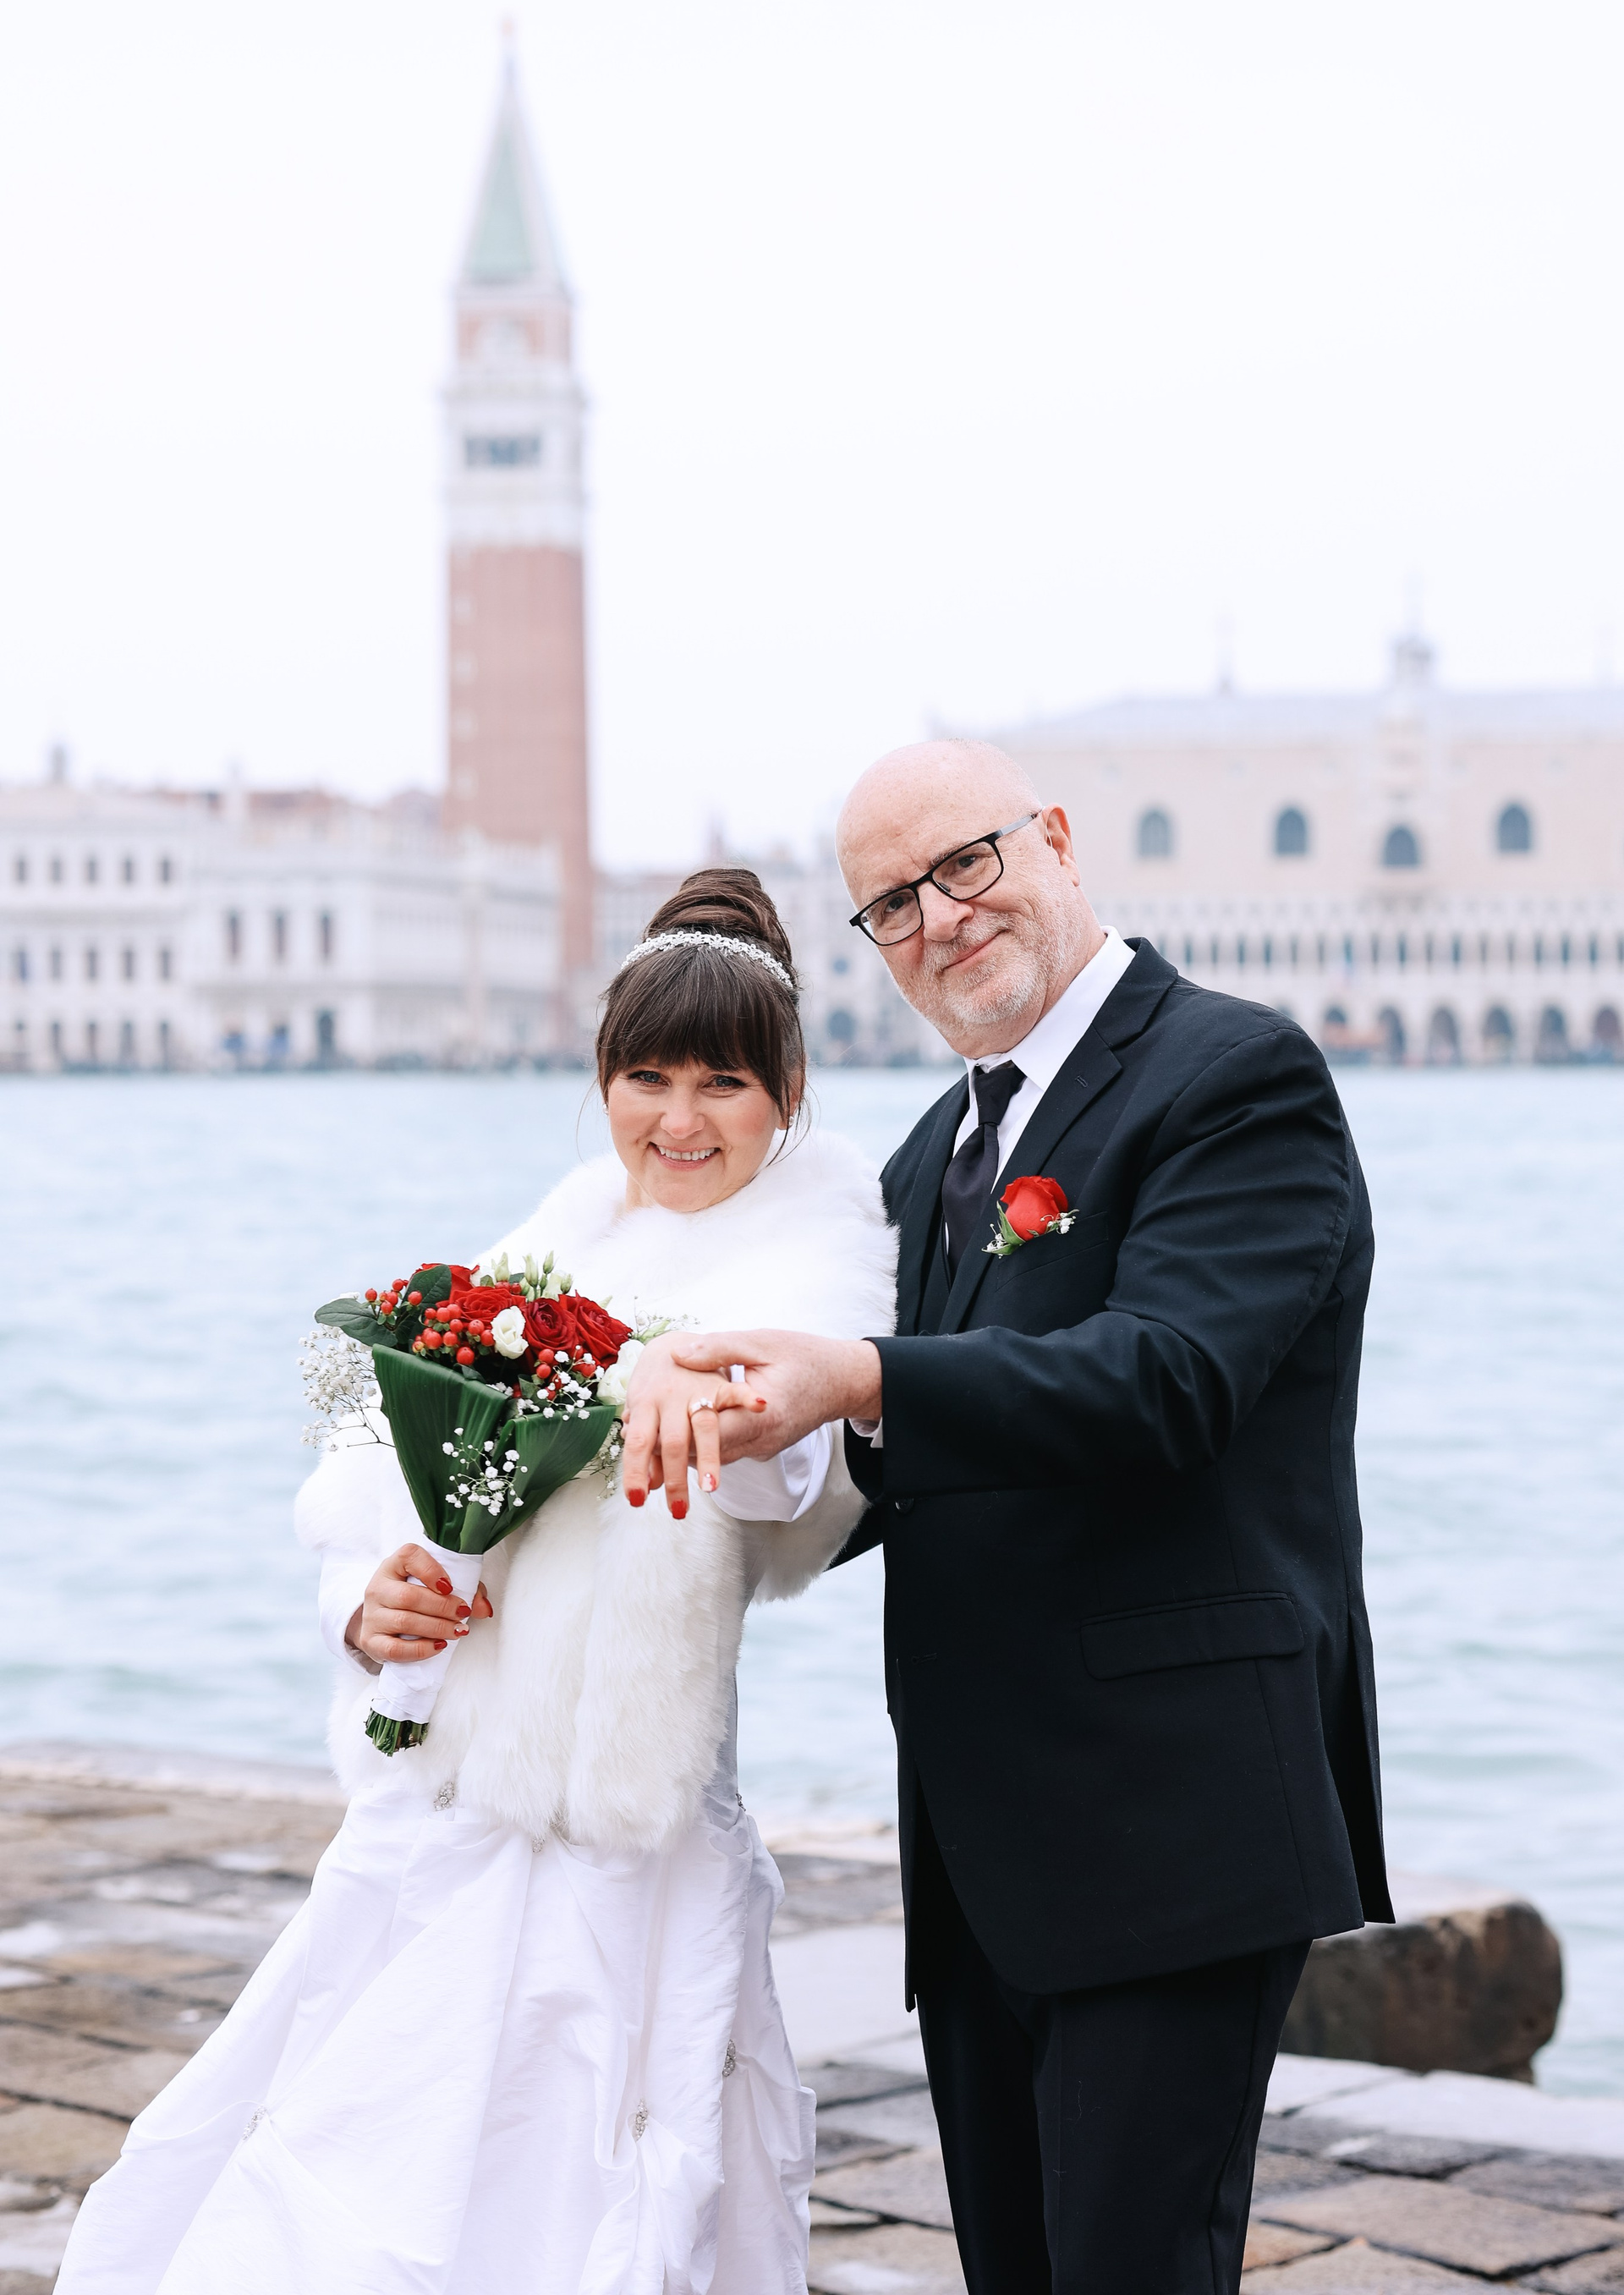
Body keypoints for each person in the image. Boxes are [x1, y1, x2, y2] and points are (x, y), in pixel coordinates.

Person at [58, 869, 897, 2295]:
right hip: (450, 1786)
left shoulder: (817, 1260)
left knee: (587, 2172)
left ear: (789, 1094)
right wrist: (368, 1602)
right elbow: (370, 1474)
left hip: (627, 1811)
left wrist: (730, 1410)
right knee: (355, 2137)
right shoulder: (555, 1238)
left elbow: (797, 1486)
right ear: (602, 1081)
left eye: (723, 1083)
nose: (679, 1121)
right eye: (646, 1078)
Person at [623, 741, 1391, 2295]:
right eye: (892, 904)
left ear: (1054, 840)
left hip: (1174, 1825)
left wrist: (856, 1375)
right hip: (982, 1860)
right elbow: (857, 1471)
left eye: (964, 863)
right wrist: (555, 1514)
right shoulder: (932, 1157)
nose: (941, 918)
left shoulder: (1236, 1075)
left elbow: (1168, 1379)